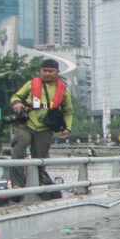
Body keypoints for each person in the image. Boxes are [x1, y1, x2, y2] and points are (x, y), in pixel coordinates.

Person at [8, 58, 74, 196]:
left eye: (51, 71)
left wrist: (67, 128)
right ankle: (16, 185)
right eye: (45, 71)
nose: (47, 74)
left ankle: (37, 185)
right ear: (41, 71)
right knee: (19, 149)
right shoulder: (32, 84)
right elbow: (16, 96)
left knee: (40, 158)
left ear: (57, 72)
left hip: (44, 129)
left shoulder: (63, 91)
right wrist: (16, 104)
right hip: (27, 124)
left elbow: (68, 111)